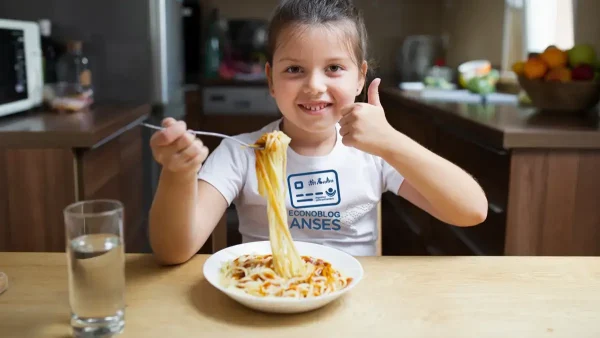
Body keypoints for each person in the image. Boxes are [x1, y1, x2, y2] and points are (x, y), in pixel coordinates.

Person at [148, 0, 488, 264]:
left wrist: (391, 141)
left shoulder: (375, 152)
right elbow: (172, 251)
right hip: (266, 298)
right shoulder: (241, 153)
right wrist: (177, 175)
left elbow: (470, 210)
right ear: (270, 80)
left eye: (334, 68)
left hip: (353, 307)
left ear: (360, 78)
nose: (314, 85)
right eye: (294, 69)